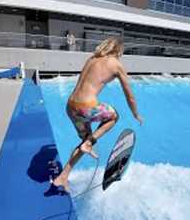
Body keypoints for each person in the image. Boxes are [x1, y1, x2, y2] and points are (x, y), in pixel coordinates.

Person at [52, 36, 143, 192]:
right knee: (114, 116)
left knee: (85, 142)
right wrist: (136, 114)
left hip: (71, 106)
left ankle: (63, 177)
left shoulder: (92, 59)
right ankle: (89, 142)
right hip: (86, 107)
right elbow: (130, 96)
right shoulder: (116, 65)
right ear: (119, 50)